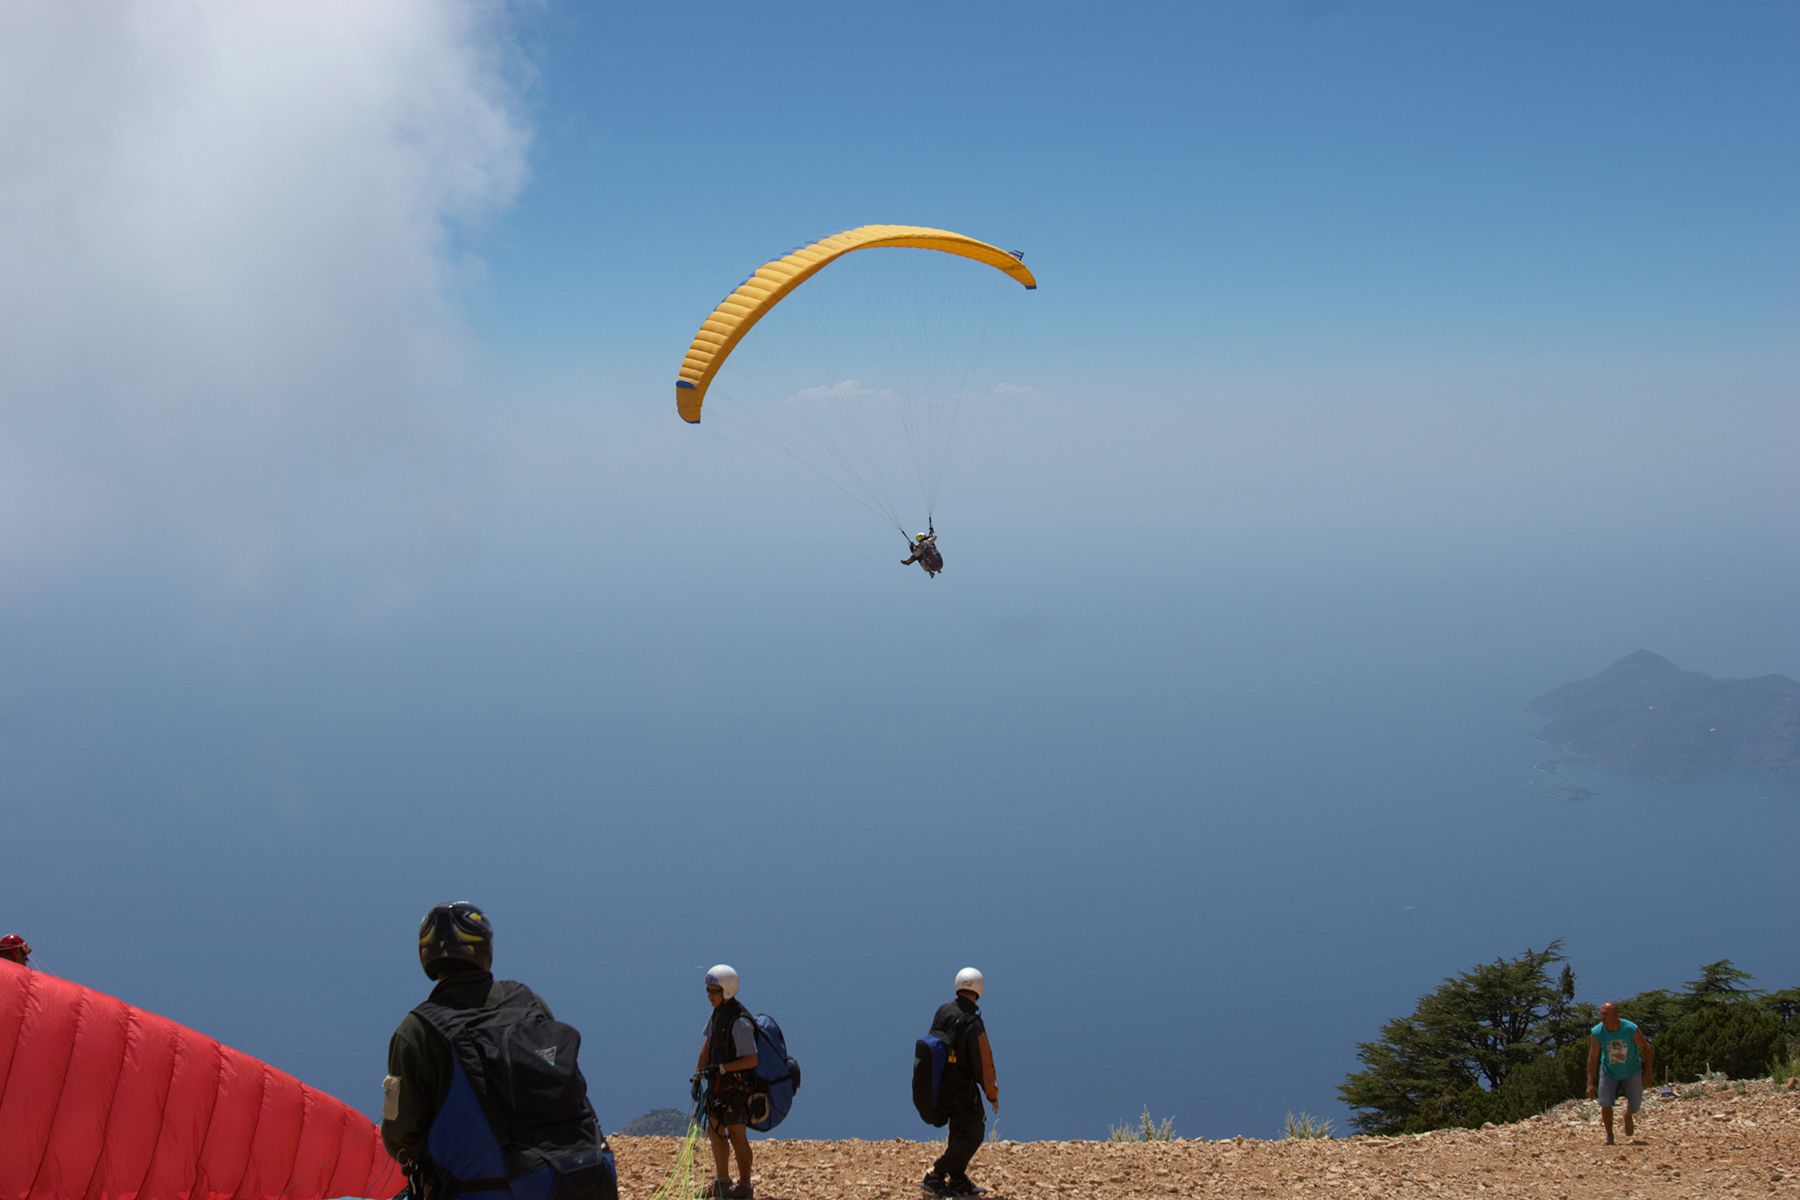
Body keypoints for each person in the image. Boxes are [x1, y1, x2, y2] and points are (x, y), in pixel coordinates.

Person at [383, 902, 616, 1200]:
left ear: (425, 954)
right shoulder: (529, 1002)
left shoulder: (417, 1030)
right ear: (485, 948)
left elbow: (399, 1135)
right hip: (584, 1177)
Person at [921, 968, 998, 1197]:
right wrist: (992, 1094)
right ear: (979, 989)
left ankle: (956, 1178)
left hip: (943, 1085)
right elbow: (984, 1061)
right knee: (974, 1133)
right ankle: (935, 1176)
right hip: (962, 1088)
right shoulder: (972, 1021)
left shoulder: (943, 1011)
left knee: (959, 1131)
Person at [695, 964, 758, 1200]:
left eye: (714, 991)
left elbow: (751, 1059)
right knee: (714, 1129)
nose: (709, 996)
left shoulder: (740, 1022)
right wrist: (698, 1073)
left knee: (737, 1134)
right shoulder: (718, 1014)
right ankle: (721, 1182)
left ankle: (745, 1187)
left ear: (727, 990)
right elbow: (708, 1044)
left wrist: (722, 1068)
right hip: (717, 1086)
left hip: (737, 1089)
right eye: (708, 991)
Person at [1587, 999, 1655, 1145]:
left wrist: (1648, 1071)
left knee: (1635, 1105)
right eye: (1601, 1014)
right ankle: (1610, 1136)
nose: (1602, 1017)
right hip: (1608, 1071)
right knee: (1605, 1103)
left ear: (1616, 1015)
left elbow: (1646, 1048)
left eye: (1606, 1014)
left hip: (1632, 1070)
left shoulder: (1630, 1029)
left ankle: (1628, 1114)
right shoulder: (1597, 1032)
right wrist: (1590, 1083)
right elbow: (1593, 1057)